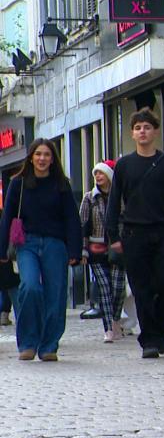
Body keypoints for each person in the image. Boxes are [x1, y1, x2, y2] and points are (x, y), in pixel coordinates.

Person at [106, 109, 164, 359]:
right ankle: (149, 340)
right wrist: (114, 237)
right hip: (134, 234)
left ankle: (162, 327)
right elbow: (114, 202)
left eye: (147, 127)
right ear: (132, 134)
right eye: (137, 127)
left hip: (163, 232)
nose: (142, 131)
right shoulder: (124, 165)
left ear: (155, 131)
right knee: (141, 289)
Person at [0, 138, 83, 361]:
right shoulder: (18, 183)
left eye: (47, 155)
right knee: (29, 287)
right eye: (38, 154)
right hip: (26, 243)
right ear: (31, 157)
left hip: (56, 244)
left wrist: (76, 250)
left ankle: (48, 345)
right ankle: (27, 342)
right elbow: (7, 217)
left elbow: (71, 219)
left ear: (53, 159)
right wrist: (1, 251)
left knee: (56, 294)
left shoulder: (61, 184)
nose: (42, 159)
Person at [79, 160, 128, 343]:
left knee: (118, 288)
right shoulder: (89, 198)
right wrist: (83, 250)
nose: (98, 177)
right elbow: (83, 225)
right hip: (95, 247)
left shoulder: (121, 196)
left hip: (117, 247)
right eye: (96, 174)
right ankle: (108, 328)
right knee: (105, 289)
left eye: (101, 173)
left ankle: (115, 320)